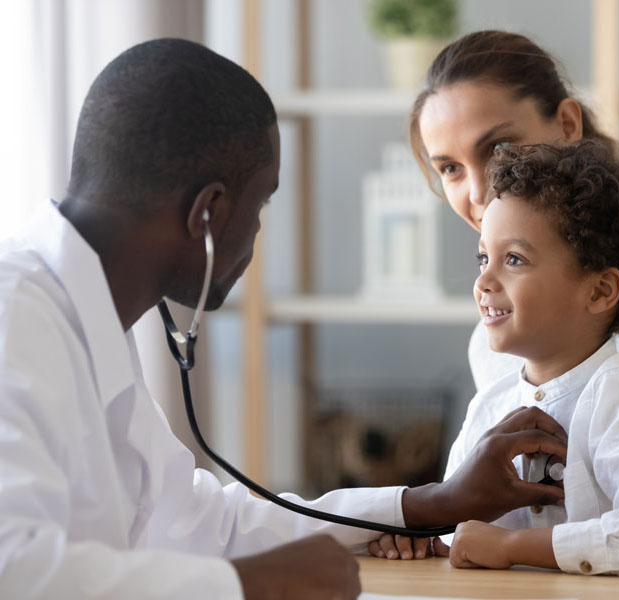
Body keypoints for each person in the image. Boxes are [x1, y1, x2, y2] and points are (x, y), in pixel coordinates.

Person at [0, 38, 570, 599]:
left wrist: (432, 503)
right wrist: (251, 585)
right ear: (208, 214)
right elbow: (13, 568)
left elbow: (204, 522)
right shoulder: (14, 317)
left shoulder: (87, 324)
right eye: (262, 202)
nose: (256, 232)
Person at [369, 28, 619, 562]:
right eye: (450, 168)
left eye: (499, 148)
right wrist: (431, 532)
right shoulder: (496, 350)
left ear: (568, 124)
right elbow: (485, 516)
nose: (478, 192)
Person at [445, 141, 619, 575]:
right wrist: (418, 537)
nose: (484, 280)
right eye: (483, 257)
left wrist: (514, 545)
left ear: (600, 291)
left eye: (514, 259)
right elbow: (457, 529)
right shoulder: (490, 405)